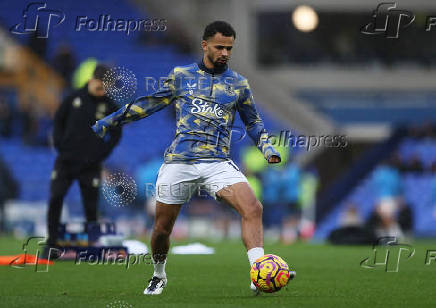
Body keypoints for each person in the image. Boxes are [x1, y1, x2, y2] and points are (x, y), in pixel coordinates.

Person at [92, 21, 283, 295]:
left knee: (253, 208)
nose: (225, 53)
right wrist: (110, 120)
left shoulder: (238, 84)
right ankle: (158, 274)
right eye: (219, 47)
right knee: (161, 228)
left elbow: (253, 123)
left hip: (217, 162)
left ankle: (258, 273)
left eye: (229, 48)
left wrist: (267, 148)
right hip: (180, 162)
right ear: (205, 45)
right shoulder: (182, 76)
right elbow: (150, 103)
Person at [45, 64, 122, 256]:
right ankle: (52, 244)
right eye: (99, 86)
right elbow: (58, 121)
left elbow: (116, 134)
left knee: (91, 205)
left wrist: (101, 153)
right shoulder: (72, 98)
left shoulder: (110, 106)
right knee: (56, 197)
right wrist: (61, 145)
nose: (102, 91)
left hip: (90, 164)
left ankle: (91, 247)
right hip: (66, 161)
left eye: (106, 87)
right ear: (91, 80)